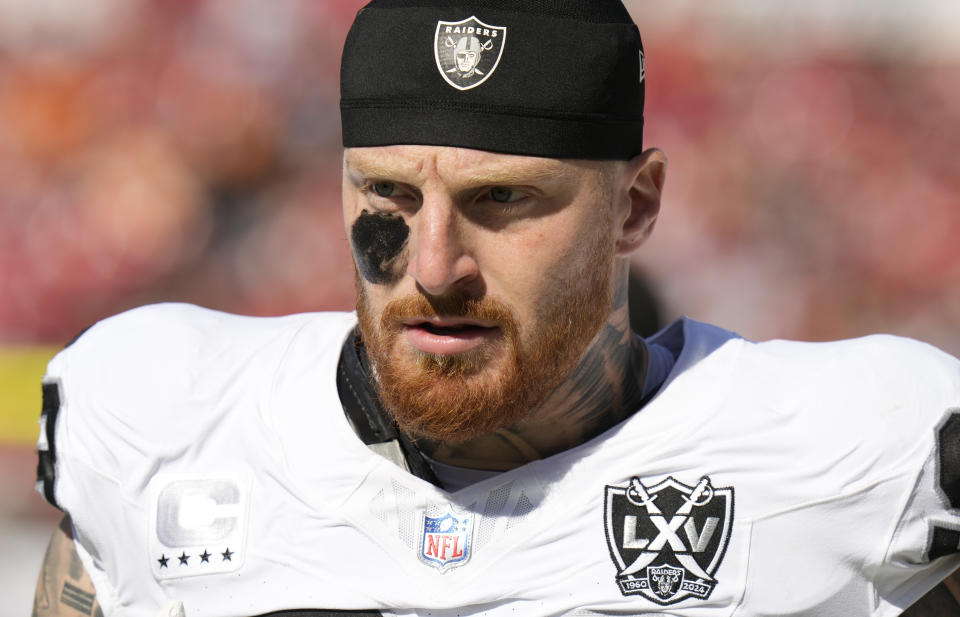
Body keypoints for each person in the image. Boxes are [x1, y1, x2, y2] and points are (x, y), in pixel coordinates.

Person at [31, 1, 960, 616]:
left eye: (502, 201)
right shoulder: (164, 415)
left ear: (635, 206)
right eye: (389, 194)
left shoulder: (855, 451)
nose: (435, 266)